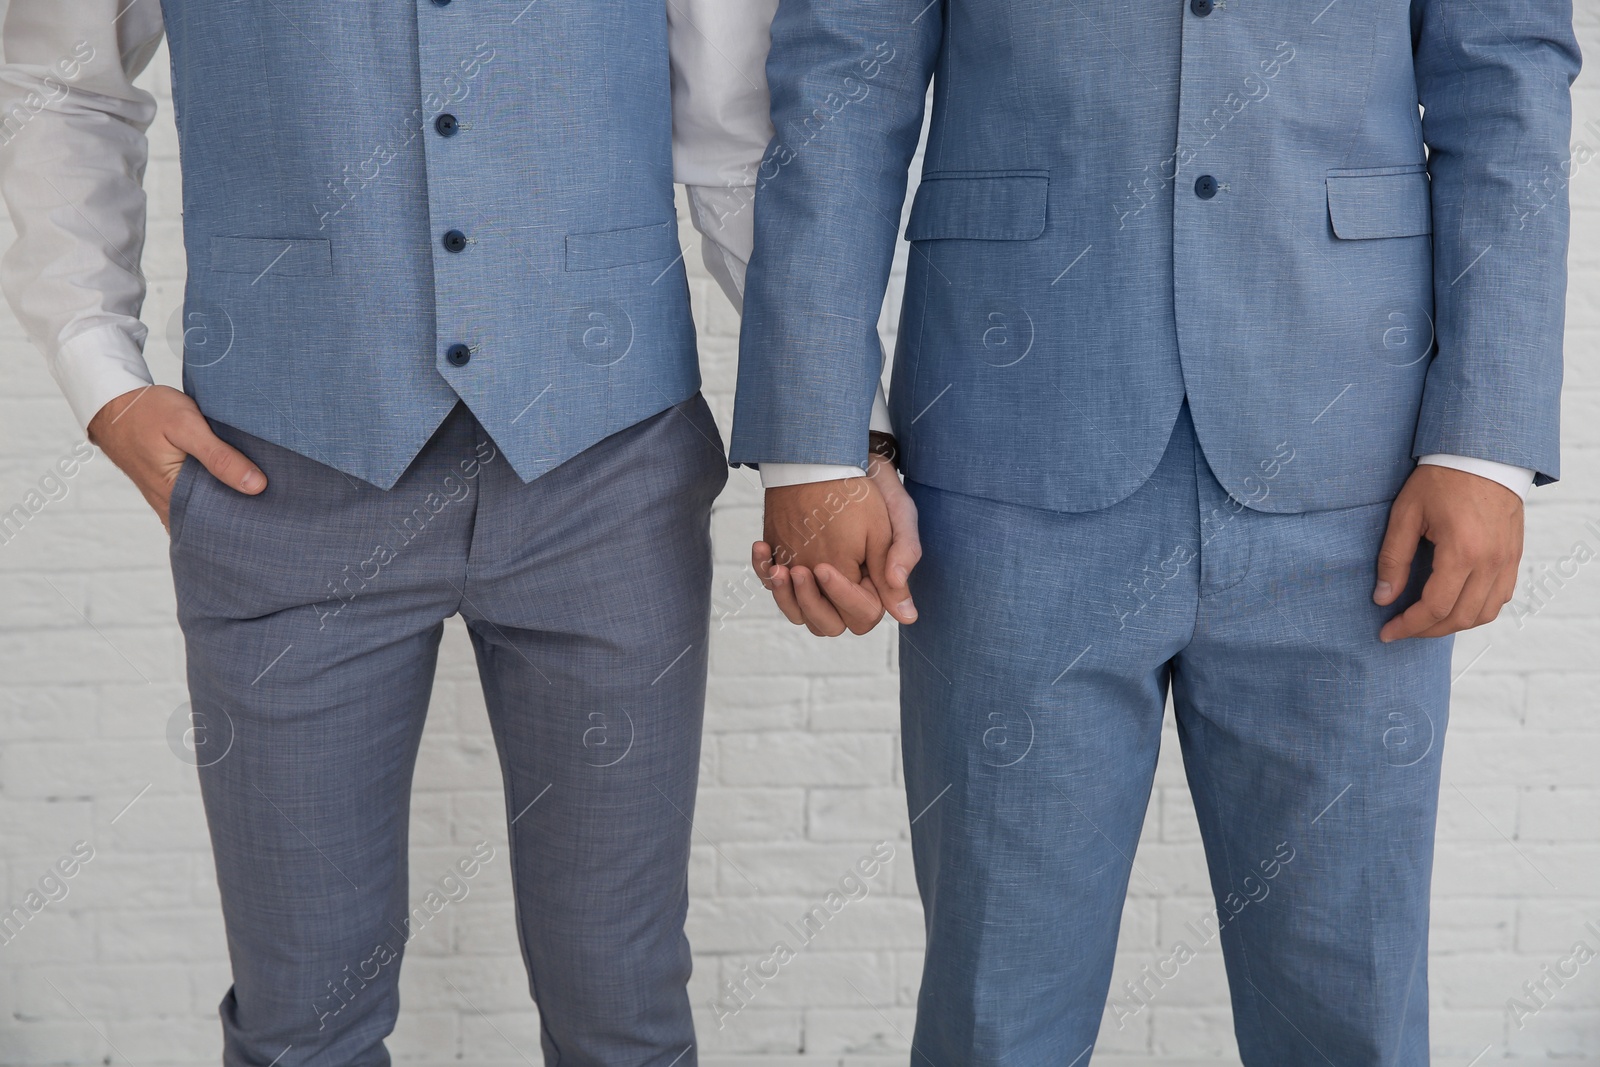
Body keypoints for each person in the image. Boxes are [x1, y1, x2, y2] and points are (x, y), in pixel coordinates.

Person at [731, 0, 1579, 1061]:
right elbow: (843, 68)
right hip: (1009, 450)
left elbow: (1504, 71)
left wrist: (1483, 441)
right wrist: (816, 439)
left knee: (1350, 1016)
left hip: (1356, 470)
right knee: (998, 1015)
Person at [0, 0, 839, 1062]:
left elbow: (730, 134)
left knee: (622, 1011)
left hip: (605, 461)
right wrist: (100, 373)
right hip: (283, 472)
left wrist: (834, 436)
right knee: (300, 1026)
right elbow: (61, 78)